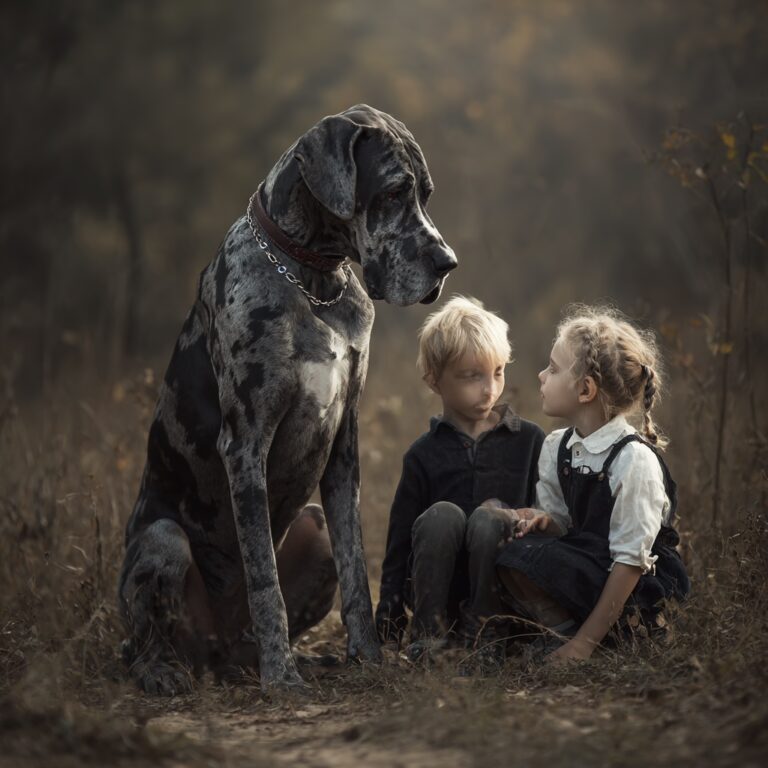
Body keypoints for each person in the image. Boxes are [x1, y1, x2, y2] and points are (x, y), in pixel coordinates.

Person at [496, 304, 691, 664]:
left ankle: (589, 642)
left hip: (632, 586)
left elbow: (630, 563)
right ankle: (562, 631)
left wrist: (582, 646)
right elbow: (566, 527)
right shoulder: (558, 448)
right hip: (589, 566)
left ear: (585, 389)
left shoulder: (633, 461)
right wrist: (546, 522)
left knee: (530, 559)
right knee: (509, 551)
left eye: (552, 369)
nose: (541, 375)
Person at [374, 295, 544, 672]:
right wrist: (388, 629)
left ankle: (488, 639)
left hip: (508, 603)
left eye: (498, 372)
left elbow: (552, 523)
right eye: (472, 376)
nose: (489, 389)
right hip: (440, 599)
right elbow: (399, 548)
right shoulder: (422, 455)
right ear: (434, 380)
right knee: (443, 516)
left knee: (491, 517)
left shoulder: (531, 441)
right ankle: (429, 641)